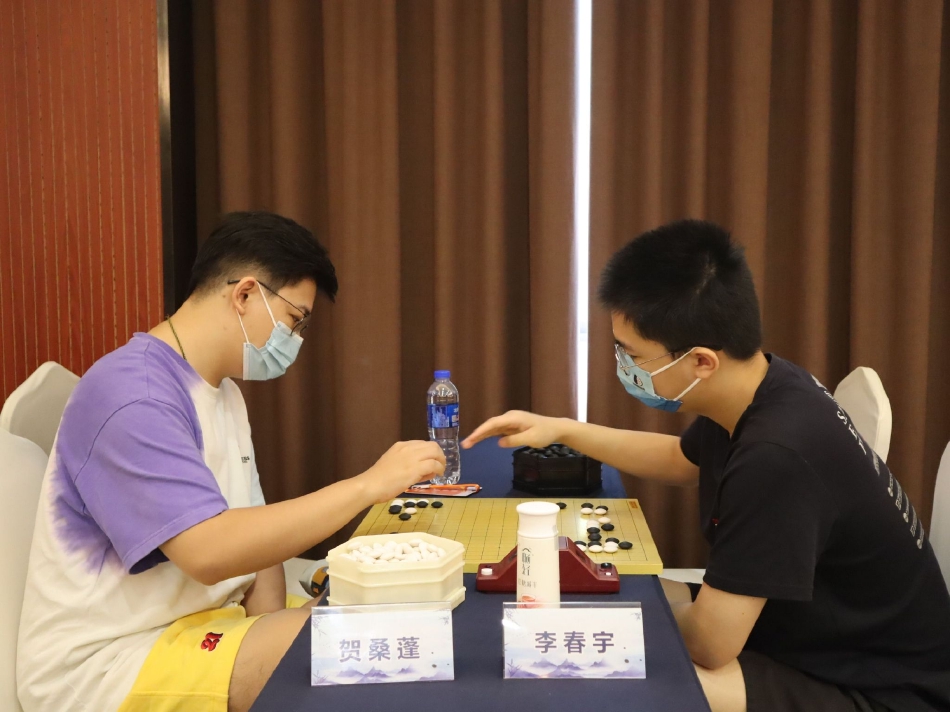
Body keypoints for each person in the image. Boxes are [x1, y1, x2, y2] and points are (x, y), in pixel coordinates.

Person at [463, 220, 950, 712]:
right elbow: (680, 460)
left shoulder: (777, 455)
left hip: (879, 689)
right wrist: (564, 429)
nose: (624, 365)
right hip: (808, 628)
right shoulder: (764, 386)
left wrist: (608, 612)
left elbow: (710, 646)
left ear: (701, 362)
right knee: (604, 599)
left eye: (633, 355)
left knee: (574, 669)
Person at [17, 211, 446, 712]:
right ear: (245, 294)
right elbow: (209, 552)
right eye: (295, 320)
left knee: (397, 616)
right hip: (109, 662)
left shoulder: (223, 393)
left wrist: (267, 629)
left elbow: (255, 535)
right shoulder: (133, 395)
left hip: (206, 623)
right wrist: (367, 486)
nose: (295, 340)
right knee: (376, 648)